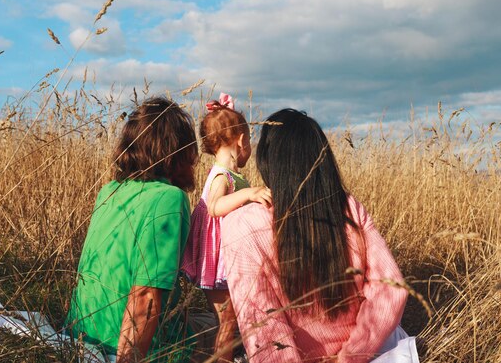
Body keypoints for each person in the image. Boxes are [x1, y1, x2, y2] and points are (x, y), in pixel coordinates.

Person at [221, 109, 408, 363]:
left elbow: (264, 331)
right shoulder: (348, 208)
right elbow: (392, 289)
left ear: (267, 160)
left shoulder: (241, 225)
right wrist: (350, 357)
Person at [66, 97, 198, 362]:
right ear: (177, 152)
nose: (196, 158)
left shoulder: (109, 191)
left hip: (80, 334)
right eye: (191, 149)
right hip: (130, 348)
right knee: (230, 326)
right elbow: (145, 296)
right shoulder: (168, 198)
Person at [181, 93, 272, 362]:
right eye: (250, 141)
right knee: (228, 318)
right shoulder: (221, 175)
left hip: (226, 260)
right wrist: (249, 194)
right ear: (242, 141)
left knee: (231, 317)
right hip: (217, 264)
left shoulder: (229, 174)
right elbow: (215, 206)